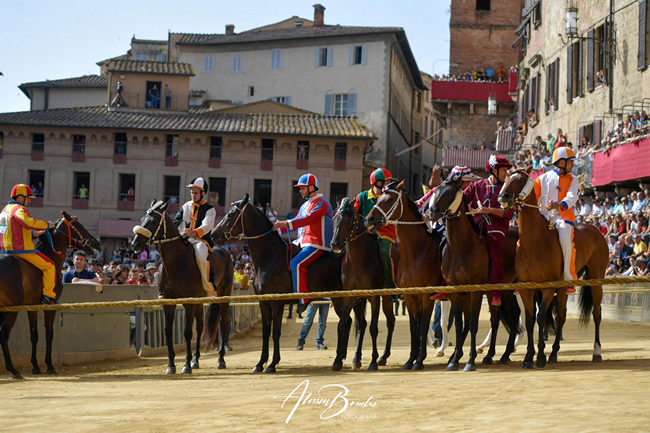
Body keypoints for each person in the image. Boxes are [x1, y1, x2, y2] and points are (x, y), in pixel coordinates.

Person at [272, 173, 333, 312]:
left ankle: (303, 299)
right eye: (299, 188)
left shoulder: (323, 202)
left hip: (317, 244)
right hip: (302, 243)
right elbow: (299, 222)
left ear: (311, 187)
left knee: (296, 264)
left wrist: (285, 223)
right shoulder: (305, 205)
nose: (300, 191)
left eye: (302, 188)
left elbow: (307, 219)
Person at [463, 156, 515, 306]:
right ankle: (446, 284)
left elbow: (508, 214)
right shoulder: (477, 185)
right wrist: (470, 209)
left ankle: (496, 293)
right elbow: (462, 200)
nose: (506, 173)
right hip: (476, 225)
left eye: (506, 169)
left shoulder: (508, 189)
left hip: (496, 228)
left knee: (495, 249)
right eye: (504, 169)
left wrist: (488, 210)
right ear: (494, 170)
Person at [533, 147, 579, 292]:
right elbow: (533, 197)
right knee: (523, 238)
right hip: (542, 217)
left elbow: (571, 197)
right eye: (571, 162)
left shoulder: (574, 179)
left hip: (562, 218)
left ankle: (568, 279)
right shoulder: (542, 178)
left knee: (565, 241)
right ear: (561, 162)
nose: (573, 165)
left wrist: (558, 205)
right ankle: (520, 276)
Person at [0, 184, 56, 304]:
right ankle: (48, 296)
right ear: (20, 198)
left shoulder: (5, 209)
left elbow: (13, 228)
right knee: (50, 266)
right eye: (28, 198)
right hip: (21, 250)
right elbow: (27, 221)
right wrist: (47, 225)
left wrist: (32, 234)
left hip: (5, 250)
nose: (29, 201)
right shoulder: (19, 209)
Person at [353, 168, 397, 299]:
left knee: (384, 252)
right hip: (365, 234)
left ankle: (391, 287)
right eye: (387, 181)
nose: (389, 184)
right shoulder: (361, 197)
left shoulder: (389, 197)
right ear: (378, 182)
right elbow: (354, 215)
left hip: (385, 232)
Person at [173, 177, 217, 294]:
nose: (193, 195)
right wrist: (182, 230)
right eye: (192, 192)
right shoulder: (185, 206)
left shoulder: (210, 209)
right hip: (183, 238)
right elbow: (176, 221)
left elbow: (207, 226)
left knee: (202, 256)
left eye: (196, 193)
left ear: (203, 193)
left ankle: (208, 287)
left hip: (200, 241)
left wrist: (193, 232)